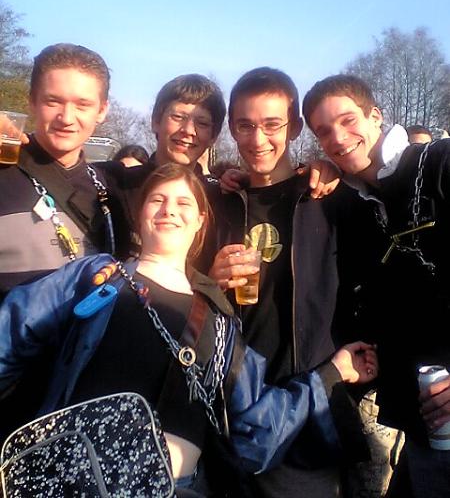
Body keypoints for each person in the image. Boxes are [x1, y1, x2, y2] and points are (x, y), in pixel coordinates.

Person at [0, 163, 377, 495]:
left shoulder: (221, 323)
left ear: (200, 222)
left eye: (183, 203)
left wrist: (332, 373)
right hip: (70, 480)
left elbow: (258, 426)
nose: (169, 210)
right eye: (157, 200)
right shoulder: (97, 276)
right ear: (139, 214)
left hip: (178, 488)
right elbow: (9, 331)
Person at [209, 67, 371, 498]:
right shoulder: (217, 203)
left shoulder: (331, 199)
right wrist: (208, 281)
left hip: (310, 414)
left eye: (272, 124)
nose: (258, 139)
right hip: (232, 411)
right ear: (231, 128)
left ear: (295, 127)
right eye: (245, 125)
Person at [303, 74, 450, 498]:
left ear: (376, 116)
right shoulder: (353, 200)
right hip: (423, 422)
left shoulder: (439, 163)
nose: (337, 138)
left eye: (348, 120)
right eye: (323, 131)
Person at [0, 43, 134, 302]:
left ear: (102, 111)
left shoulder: (113, 190)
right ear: (32, 102)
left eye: (83, 105)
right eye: (53, 101)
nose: (67, 117)